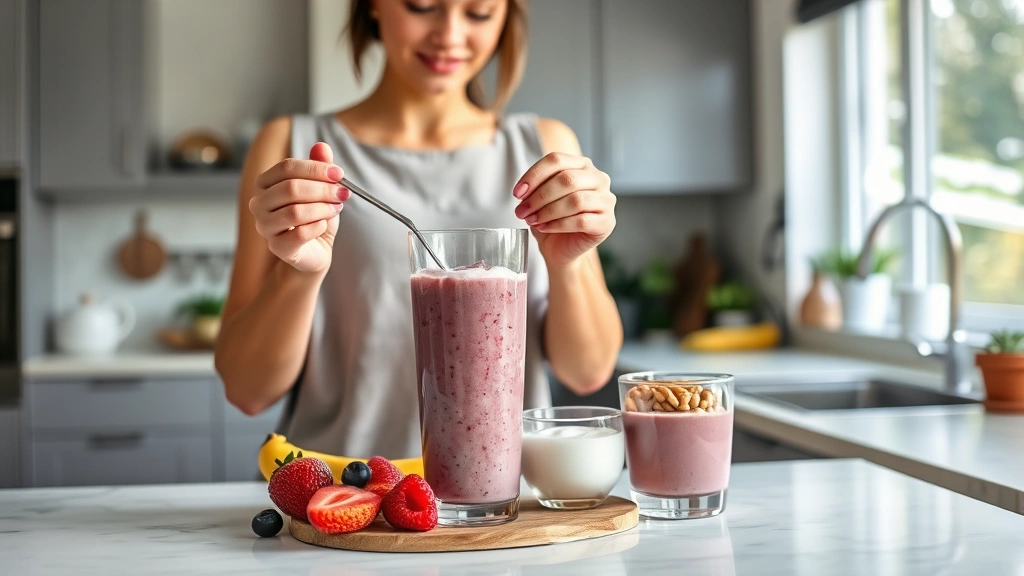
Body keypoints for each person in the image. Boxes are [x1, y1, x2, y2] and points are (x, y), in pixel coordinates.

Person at [215, 0, 622, 459]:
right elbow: (247, 391)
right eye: (422, 6)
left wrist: (568, 263)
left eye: (479, 13)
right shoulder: (293, 151)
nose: (449, 35)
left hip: (496, 501)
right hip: (342, 496)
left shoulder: (545, 149)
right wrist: (297, 273)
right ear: (373, 6)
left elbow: (587, 372)